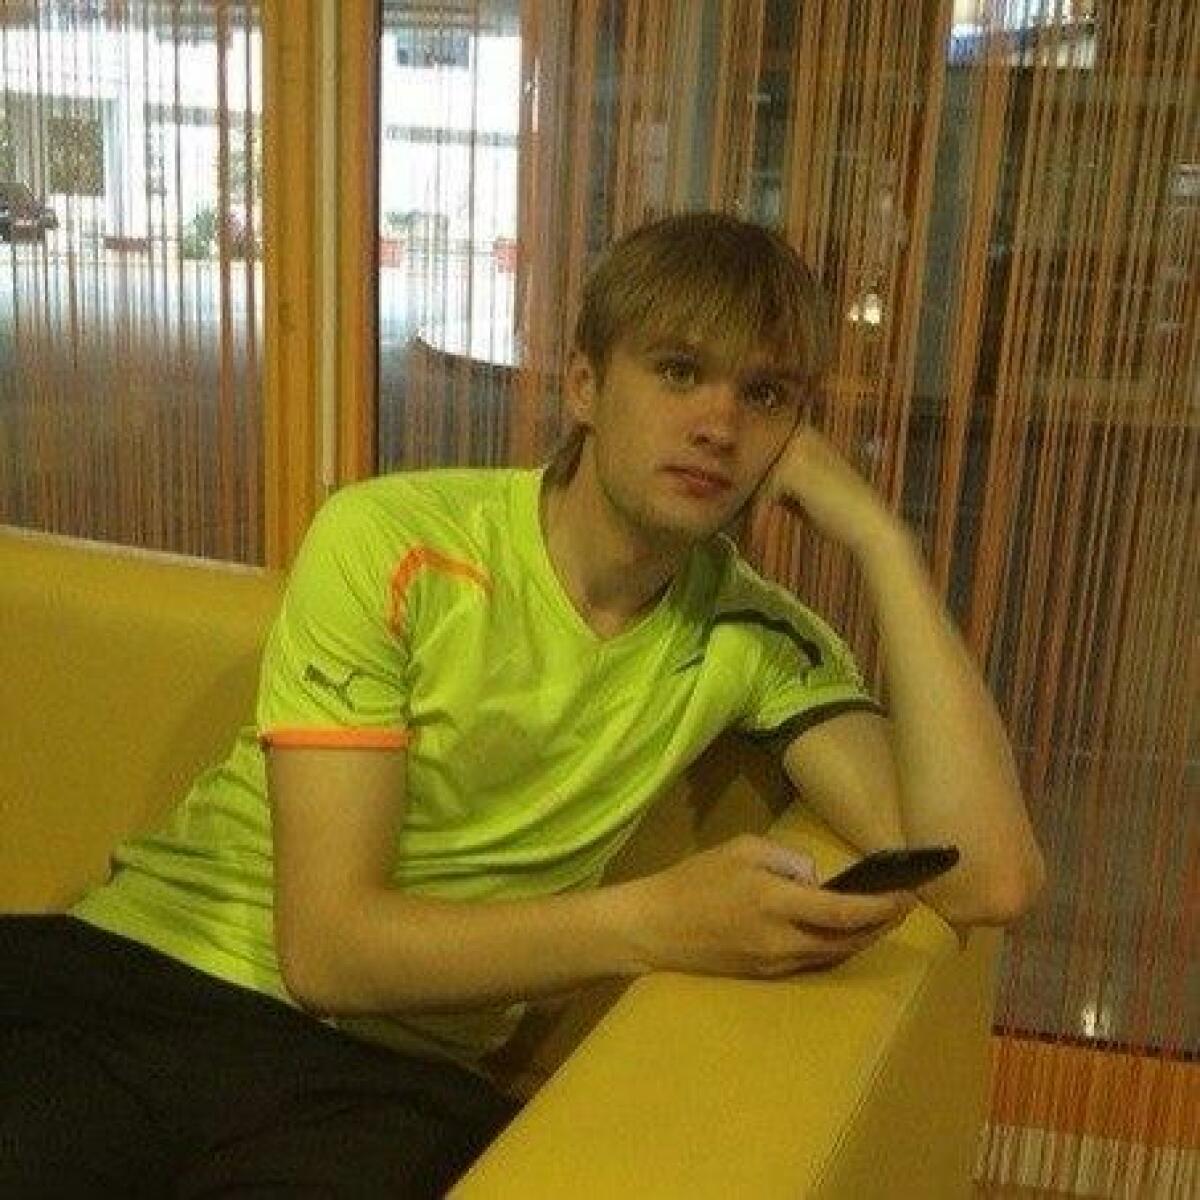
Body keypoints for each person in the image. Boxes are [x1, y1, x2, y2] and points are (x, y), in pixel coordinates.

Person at [0, 211, 1045, 1197]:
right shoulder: (393, 539)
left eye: (765, 395)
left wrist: (883, 543)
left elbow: (989, 875)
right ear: (585, 384)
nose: (720, 425)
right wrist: (655, 923)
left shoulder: (756, 636)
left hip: (387, 1079)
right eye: (679, 371)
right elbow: (327, 950)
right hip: (135, 979)